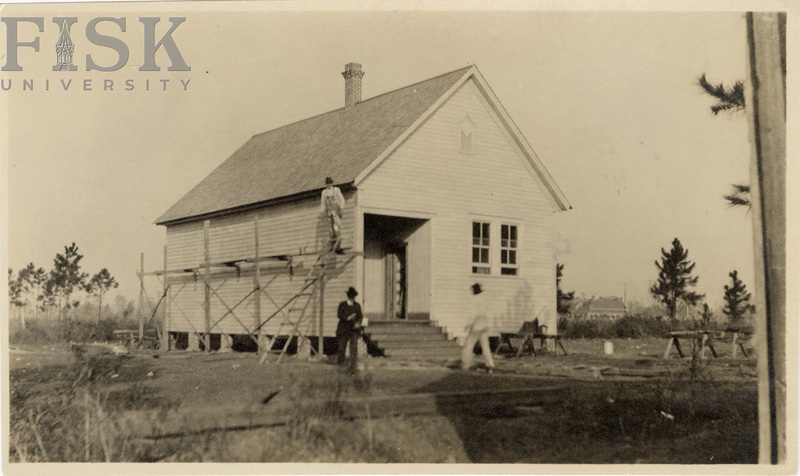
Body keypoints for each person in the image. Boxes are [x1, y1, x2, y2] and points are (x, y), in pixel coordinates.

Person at [461, 283, 496, 372]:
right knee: (485, 346)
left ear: (474, 291)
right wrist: (489, 325)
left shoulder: (475, 300)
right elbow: (489, 313)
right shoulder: (485, 299)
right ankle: (490, 364)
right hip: (484, 326)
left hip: (476, 327)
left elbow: (473, 314)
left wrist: (468, 325)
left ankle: (466, 364)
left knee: (469, 345)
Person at [337, 287, 364, 372]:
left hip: (353, 329)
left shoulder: (357, 305)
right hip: (344, 328)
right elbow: (339, 315)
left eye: (353, 297)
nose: (352, 298)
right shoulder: (342, 305)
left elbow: (360, 316)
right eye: (351, 296)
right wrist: (348, 317)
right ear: (348, 296)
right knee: (342, 346)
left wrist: (358, 323)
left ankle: (353, 364)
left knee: (354, 347)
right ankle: (341, 363)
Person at [320, 177, 345, 254]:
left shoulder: (336, 190)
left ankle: (338, 246)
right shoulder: (324, 192)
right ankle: (332, 246)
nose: (329, 185)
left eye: (330, 183)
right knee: (330, 230)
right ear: (326, 184)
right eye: (327, 183)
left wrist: (341, 208)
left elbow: (342, 199)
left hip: (336, 211)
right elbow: (323, 203)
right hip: (329, 212)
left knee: (336, 228)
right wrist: (322, 212)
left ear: (332, 183)